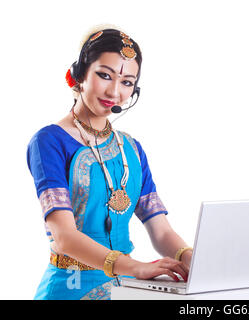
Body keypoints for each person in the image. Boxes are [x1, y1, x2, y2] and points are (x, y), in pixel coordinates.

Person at [26, 26, 193, 300]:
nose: (114, 91)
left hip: (128, 289)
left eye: (127, 82)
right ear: (79, 74)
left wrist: (189, 257)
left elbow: (160, 229)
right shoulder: (49, 141)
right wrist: (136, 267)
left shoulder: (132, 150)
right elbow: (65, 237)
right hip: (70, 287)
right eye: (105, 75)